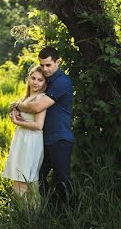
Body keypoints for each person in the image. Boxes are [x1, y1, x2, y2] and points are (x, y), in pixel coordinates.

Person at [13, 46, 75, 203]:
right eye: (42, 65)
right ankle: (50, 208)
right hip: (45, 140)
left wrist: (17, 105)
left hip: (59, 138)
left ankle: (72, 213)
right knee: (37, 176)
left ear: (57, 62)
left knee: (62, 180)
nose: (45, 69)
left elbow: (37, 107)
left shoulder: (62, 82)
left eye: (48, 65)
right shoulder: (47, 81)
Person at [2, 65, 48, 202]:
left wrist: (17, 122)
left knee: (25, 180)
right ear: (28, 78)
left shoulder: (41, 98)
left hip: (31, 141)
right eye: (33, 78)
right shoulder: (26, 98)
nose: (35, 82)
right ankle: (21, 213)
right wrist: (15, 113)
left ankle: (31, 215)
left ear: (45, 83)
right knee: (17, 179)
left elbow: (38, 125)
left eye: (40, 80)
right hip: (21, 139)